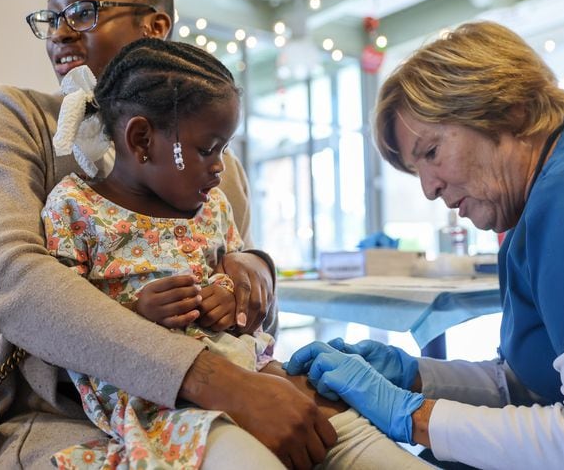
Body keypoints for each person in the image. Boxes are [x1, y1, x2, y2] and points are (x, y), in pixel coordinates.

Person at [0, 0, 333, 467]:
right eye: (53, 17)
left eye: (83, 11)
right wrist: (210, 378)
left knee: (340, 438)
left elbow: (241, 307)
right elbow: (8, 278)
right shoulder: (17, 119)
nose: (60, 31)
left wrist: (255, 275)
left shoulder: (217, 168)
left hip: (214, 391)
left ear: (155, 26)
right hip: (58, 414)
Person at [285, 21, 564, 468]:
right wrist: (415, 375)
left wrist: (412, 416)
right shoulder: (534, 209)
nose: (428, 190)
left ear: (508, 111)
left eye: (432, 152)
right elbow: (529, 383)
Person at [41, 38, 429, 469]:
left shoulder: (213, 207)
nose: (220, 166)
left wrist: (230, 296)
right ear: (142, 138)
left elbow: (238, 281)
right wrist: (136, 311)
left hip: (260, 375)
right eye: (208, 149)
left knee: (366, 446)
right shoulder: (74, 206)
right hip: (167, 405)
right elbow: (63, 322)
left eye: (224, 148)